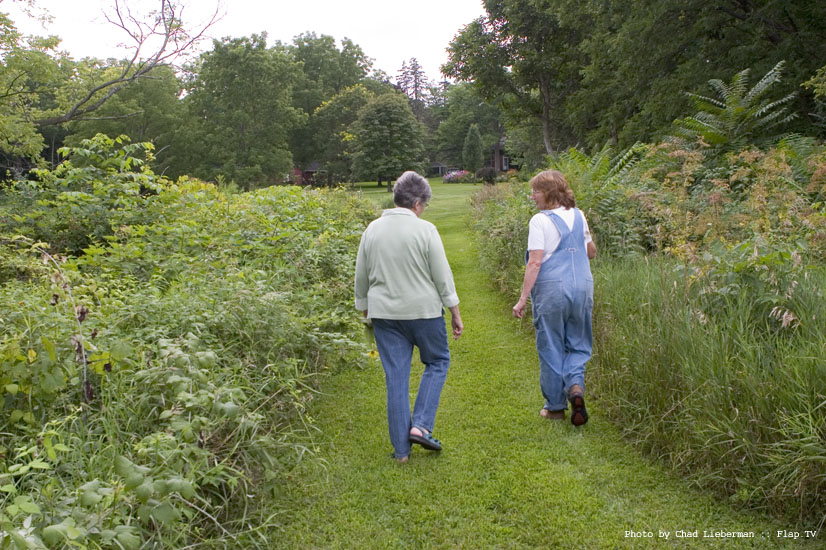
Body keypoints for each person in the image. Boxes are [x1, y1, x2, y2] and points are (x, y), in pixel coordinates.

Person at [355, 171, 464, 463]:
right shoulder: (425, 230)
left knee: (396, 379)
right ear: (417, 203)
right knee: (438, 361)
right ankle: (421, 425)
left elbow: (361, 274)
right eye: (424, 205)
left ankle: (401, 452)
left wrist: (364, 307)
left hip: (384, 314)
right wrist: (454, 311)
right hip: (423, 312)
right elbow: (442, 276)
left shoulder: (372, 229)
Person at [512, 170, 596, 426]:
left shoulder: (539, 221)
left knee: (550, 344)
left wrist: (523, 298)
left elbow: (535, 263)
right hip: (582, 286)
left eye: (535, 191)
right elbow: (591, 253)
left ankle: (556, 407)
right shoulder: (579, 215)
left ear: (547, 193)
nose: (532, 196)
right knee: (578, 342)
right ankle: (575, 386)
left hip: (552, 290)